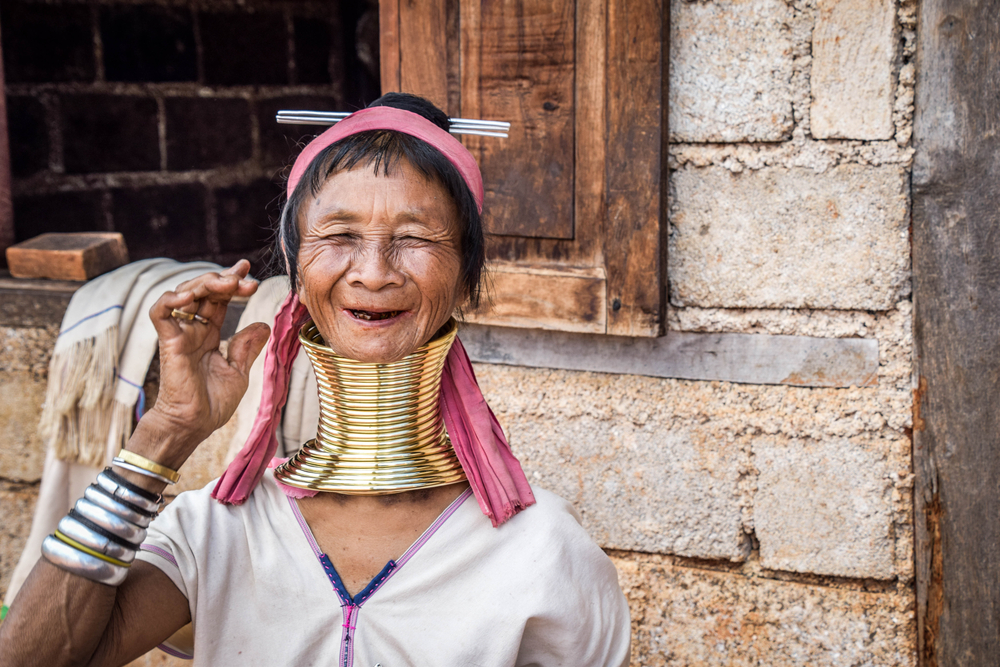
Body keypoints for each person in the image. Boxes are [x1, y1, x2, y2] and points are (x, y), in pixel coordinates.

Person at [0, 93, 631, 666]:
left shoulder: (540, 550)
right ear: (296, 267)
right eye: (340, 235)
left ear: (467, 275)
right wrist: (167, 431)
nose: (373, 272)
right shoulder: (220, 532)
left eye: (414, 237)